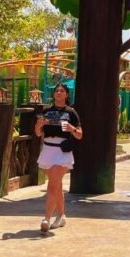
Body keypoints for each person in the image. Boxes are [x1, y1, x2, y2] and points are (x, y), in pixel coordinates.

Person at [34, 83, 83, 233]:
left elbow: (80, 135)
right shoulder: (47, 111)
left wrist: (72, 129)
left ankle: (46, 219)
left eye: (62, 91)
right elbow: (37, 133)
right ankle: (61, 216)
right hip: (48, 149)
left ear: (67, 95)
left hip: (62, 152)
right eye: (57, 91)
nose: (59, 93)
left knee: (52, 184)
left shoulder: (71, 112)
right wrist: (39, 124)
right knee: (57, 185)